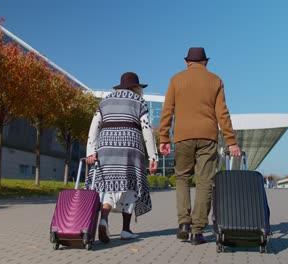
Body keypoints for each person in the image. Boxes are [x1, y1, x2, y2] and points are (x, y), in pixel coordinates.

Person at [159, 47, 241, 245]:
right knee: (205, 182)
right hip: (208, 136)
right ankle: (197, 231)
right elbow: (222, 113)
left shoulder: (176, 80)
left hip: (183, 136)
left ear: (187, 62)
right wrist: (231, 141)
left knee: (182, 178)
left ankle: (183, 224)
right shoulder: (215, 80)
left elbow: (167, 110)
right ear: (206, 62)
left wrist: (163, 138)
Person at [84, 72, 159, 243]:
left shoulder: (105, 101)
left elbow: (94, 126)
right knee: (130, 186)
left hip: (106, 147)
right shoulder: (139, 101)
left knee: (107, 186)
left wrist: (90, 151)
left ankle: (104, 219)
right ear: (136, 88)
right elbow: (146, 129)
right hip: (131, 147)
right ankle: (125, 229)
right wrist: (153, 157)